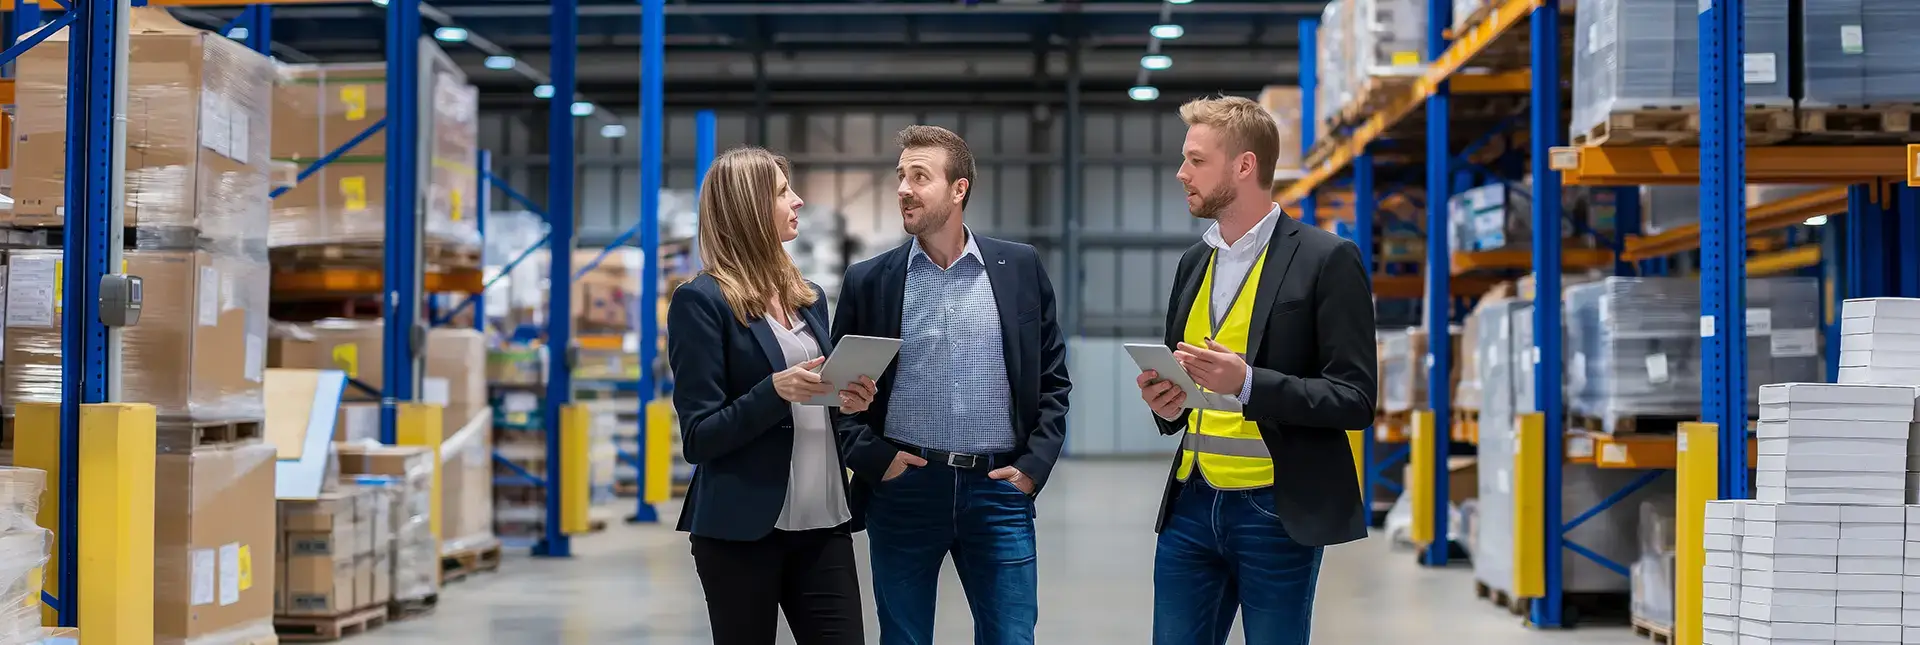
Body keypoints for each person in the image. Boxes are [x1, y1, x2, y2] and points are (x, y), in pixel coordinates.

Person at [1135, 95, 1377, 645]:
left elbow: (1355, 398)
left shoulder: (1326, 259)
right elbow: (1191, 383)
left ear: (1244, 166)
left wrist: (1247, 383)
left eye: (1196, 160)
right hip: (1191, 504)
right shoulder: (1194, 262)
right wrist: (1166, 402)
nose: (1181, 173)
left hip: (1274, 508)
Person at [830, 124, 1072, 645]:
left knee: (1010, 636)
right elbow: (839, 393)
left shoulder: (1019, 268)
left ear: (958, 189)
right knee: (904, 637)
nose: (904, 189)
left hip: (998, 489)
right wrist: (876, 461)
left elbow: (1052, 378)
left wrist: (1032, 469)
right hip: (905, 488)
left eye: (920, 176)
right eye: (900, 176)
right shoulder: (870, 281)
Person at [666, 146, 877, 645]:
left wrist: (846, 400)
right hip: (742, 533)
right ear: (747, 207)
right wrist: (774, 391)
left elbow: (816, 402)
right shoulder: (701, 302)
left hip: (824, 523)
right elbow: (699, 437)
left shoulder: (809, 298)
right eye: (784, 192)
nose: (799, 201)